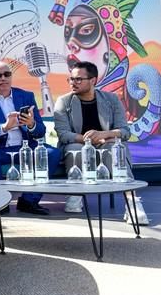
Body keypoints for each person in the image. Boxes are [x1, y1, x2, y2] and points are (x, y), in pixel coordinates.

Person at [53, 61, 148, 222]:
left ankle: (132, 203)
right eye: (71, 79)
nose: (73, 83)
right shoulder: (64, 101)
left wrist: (105, 134)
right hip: (78, 143)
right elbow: (63, 134)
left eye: (78, 79)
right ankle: (75, 195)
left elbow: (124, 131)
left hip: (106, 142)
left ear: (93, 80)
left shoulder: (111, 99)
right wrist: (88, 139)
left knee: (114, 148)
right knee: (75, 148)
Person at [0, 61, 61, 215]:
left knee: (52, 153)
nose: (3, 78)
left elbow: (40, 131)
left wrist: (32, 124)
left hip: (25, 147)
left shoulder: (26, 96)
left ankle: (29, 201)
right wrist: (4, 127)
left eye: (7, 74)